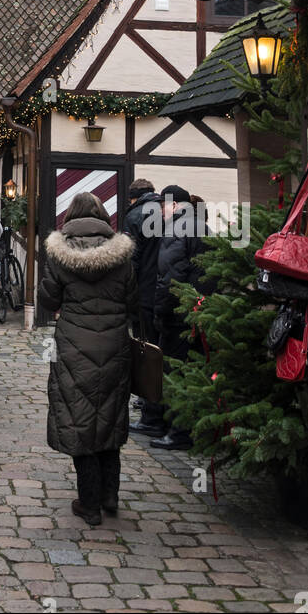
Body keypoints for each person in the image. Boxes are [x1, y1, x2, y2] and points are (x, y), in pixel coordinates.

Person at [39, 192, 137, 526]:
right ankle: (110, 495)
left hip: (73, 344)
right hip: (114, 344)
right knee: (109, 415)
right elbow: (132, 298)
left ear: (71, 216)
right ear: (102, 216)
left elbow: (49, 296)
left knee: (79, 418)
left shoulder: (59, 254)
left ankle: (90, 503)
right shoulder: (122, 255)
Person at [149, 184, 206, 450]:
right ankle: (179, 428)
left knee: (174, 371)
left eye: (162, 206)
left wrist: (160, 312)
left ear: (174, 205)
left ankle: (178, 431)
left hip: (178, 314)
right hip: (196, 311)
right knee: (189, 370)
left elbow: (170, 278)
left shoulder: (178, 229)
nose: (159, 212)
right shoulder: (199, 224)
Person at [123, 178, 166, 438]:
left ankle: (150, 412)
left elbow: (132, 259)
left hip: (144, 293)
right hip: (163, 291)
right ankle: (154, 404)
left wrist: (127, 293)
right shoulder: (166, 211)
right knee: (159, 351)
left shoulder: (135, 216)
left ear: (133, 197)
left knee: (145, 350)